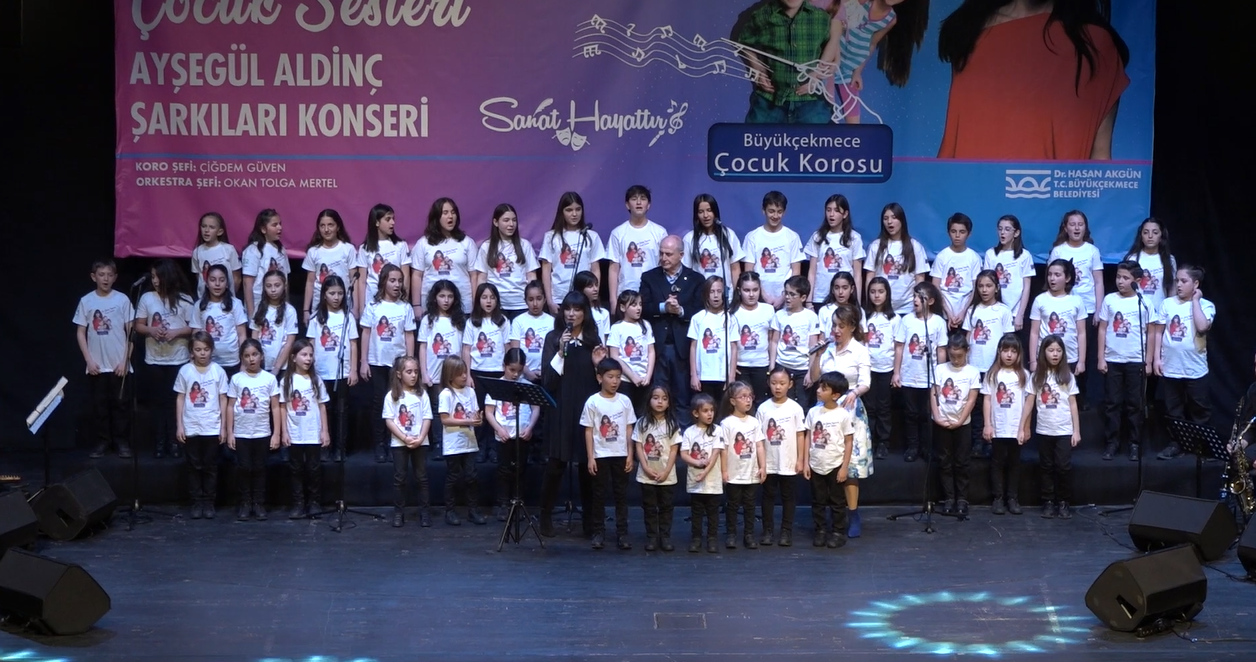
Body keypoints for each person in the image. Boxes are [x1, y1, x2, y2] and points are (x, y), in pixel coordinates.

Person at [937, 0, 1129, 160]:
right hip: (966, 189)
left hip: (1053, 193)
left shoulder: (1095, 44)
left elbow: (1100, 158)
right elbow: (955, 134)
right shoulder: (968, 31)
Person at [539, 291, 609, 537]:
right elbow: (548, 381)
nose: (571, 314)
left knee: (586, 466)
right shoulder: (553, 338)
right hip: (560, 407)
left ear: (584, 313)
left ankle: (590, 520)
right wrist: (560, 351)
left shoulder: (592, 340)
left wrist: (599, 364)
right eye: (567, 309)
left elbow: (603, 381)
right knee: (556, 465)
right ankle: (545, 516)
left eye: (577, 309)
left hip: (585, 409)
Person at [812, 304, 873, 536]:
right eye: (834, 326)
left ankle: (853, 514)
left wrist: (854, 393)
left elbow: (866, 382)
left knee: (850, 468)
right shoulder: (827, 349)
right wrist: (817, 356)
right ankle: (831, 512)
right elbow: (814, 378)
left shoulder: (859, 350)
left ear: (852, 327)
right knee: (827, 463)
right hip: (825, 410)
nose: (836, 330)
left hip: (849, 409)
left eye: (841, 326)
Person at [813, 0, 928, 122]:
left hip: (850, 68)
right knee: (825, 108)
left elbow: (873, 43)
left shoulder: (890, 19)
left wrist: (858, 72)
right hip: (832, 59)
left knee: (854, 117)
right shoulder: (863, 2)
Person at [734, 0, 834, 124]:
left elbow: (832, 49)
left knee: (821, 135)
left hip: (811, 102)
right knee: (755, 135)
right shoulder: (762, 16)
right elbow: (744, 41)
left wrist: (818, 74)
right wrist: (757, 67)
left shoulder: (821, 18)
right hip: (770, 101)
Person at [1152, 266, 1216, 459]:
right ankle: (1176, 444)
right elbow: (1158, 333)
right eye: (1177, 280)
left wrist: (1195, 301)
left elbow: (1202, 326)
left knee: (1200, 410)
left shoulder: (1206, 305)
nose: (1178, 285)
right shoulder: (1167, 304)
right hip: (1171, 367)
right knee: (1173, 410)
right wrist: (1156, 358)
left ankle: (1203, 446)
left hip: (1195, 369)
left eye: (1184, 281)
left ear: (1195, 284)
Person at [74, 258, 135, 459]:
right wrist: (88, 360)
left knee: (121, 405)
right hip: (97, 365)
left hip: (119, 364)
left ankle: (122, 442)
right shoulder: (86, 301)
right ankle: (103, 441)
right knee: (100, 406)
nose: (105, 279)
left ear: (115, 277)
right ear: (94, 277)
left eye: (109, 275)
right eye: (101, 275)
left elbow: (131, 334)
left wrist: (125, 360)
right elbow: (81, 332)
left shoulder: (122, 300)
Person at [136, 259, 195, 460]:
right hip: (154, 359)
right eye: (152, 277)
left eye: (158, 276)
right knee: (157, 403)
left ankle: (175, 441)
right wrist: (151, 330)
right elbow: (138, 325)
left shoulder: (185, 299)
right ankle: (159, 443)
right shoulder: (147, 298)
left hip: (178, 359)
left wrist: (175, 332)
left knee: (173, 402)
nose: (155, 281)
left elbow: (193, 327)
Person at [641, 235, 704, 424]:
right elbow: (643, 308)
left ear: (681, 255)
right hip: (657, 348)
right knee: (658, 395)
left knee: (682, 396)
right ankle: (657, 434)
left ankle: (683, 434)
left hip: (683, 348)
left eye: (668, 254)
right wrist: (664, 308)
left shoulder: (696, 279)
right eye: (661, 253)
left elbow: (700, 310)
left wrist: (680, 311)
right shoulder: (649, 277)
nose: (663, 258)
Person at [1098, 261, 1156, 461]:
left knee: (1135, 404)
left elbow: (1150, 333)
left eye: (1125, 278)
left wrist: (1149, 361)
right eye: (1118, 277)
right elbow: (1103, 329)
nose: (1120, 281)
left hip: (1136, 360)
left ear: (1137, 281)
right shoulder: (1109, 300)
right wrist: (1101, 357)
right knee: (1112, 404)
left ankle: (1134, 443)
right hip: (1113, 359)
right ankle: (1112, 443)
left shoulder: (1144, 302)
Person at [361, 264, 417, 463]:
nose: (397, 284)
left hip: (398, 364)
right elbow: (366, 333)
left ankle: (396, 442)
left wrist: (410, 362)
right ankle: (379, 444)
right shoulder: (373, 306)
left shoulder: (405, 307)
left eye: (400, 281)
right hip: (377, 362)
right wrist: (363, 361)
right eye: (392, 280)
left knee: (398, 403)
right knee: (379, 403)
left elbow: (409, 335)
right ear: (384, 282)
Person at [1048, 210, 1104, 404]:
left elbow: (1098, 282)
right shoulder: (1058, 251)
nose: (1076, 228)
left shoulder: (1092, 251)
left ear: (1085, 227)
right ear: (1065, 228)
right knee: (1062, 349)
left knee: (1083, 353)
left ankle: (1081, 398)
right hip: (1063, 307)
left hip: (1087, 309)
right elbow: (1051, 277)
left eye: (1080, 224)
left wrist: (1098, 310)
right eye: (1072, 224)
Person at [581, 358, 637, 550]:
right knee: (599, 495)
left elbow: (629, 429)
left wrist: (630, 454)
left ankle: (622, 533)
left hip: (620, 454)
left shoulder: (625, 401)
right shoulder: (593, 402)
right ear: (599, 378)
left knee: (621, 495)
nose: (615, 381)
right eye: (610, 377)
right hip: (601, 455)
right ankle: (598, 532)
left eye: (618, 377)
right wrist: (591, 457)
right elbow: (589, 430)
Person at [1024, 335, 1081, 519]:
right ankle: (1048, 501)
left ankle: (1064, 502)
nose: (1055, 354)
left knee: (1063, 467)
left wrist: (1076, 431)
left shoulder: (1068, 376)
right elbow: (1029, 403)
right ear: (1044, 352)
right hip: (1044, 430)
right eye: (1051, 350)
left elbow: (1073, 404)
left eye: (1058, 350)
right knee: (1046, 467)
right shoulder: (1037, 376)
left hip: (1064, 430)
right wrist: (1023, 427)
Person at [175, 331, 229, 519]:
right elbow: (180, 398)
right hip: (191, 426)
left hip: (211, 426)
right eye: (198, 350)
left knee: (210, 466)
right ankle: (197, 502)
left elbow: (223, 399)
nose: (202, 353)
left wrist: (223, 427)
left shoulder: (218, 371)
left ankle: (209, 502)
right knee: (193, 466)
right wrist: (179, 425)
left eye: (206, 349)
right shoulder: (185, 371)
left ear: (211, 350)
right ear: (192, 352)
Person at [306, 275, 359, 462]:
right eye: (332, 293)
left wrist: (353, 369)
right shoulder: (316, 318)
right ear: (324, 294)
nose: (336, 297)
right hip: (321, 371)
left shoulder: (347, 317)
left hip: (342, 372)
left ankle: (340, 448)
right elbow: (311, 345)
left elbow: (353, 344)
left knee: (341, 410)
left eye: (340, 293)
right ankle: (324, 446)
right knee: (324, 409)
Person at [893, 282, 947, 462]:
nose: (915, 300)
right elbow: (899, 347)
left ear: (930, 301)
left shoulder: (938, 322)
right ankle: (912, 447)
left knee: (926, 414)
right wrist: (896, 372)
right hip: (909, 376)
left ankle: (926, 447)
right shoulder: (906, 320)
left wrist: (940, 376)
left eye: (920, 297)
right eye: (914, 296)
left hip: (929, 378)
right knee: (911, 414)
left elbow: (941, 350)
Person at [226, 339, 280, 521]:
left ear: (261, 356)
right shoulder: (236, 379)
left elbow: (275, 407)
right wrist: (230, 432)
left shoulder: (269, 379)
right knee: (244, 468)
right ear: (242, 358)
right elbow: (230, 406)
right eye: (247, 356)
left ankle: (259, 503)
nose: (251, 359)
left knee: (259, 469)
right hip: (241, 433)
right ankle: (245, 503)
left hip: (262, 433)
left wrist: (276, 433)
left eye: (255, 354)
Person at [963, 269, 1013, 457]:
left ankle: (992, 442)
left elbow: (1008, 340)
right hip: (975, 366)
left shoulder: (1003, 310)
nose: (984, 290)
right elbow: (968, 337)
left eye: (989, 286)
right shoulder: (972, 310)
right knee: (976, 407)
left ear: (997, 288)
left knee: (993, 406)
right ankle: (977, 442)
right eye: (981, 286)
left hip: (995, 367)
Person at [931, 332, 982, 516]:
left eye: (959, 356)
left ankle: (962, 499)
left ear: (967, 351)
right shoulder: (940, 369)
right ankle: (949, 498)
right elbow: (934, 394)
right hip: (942, 422)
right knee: (944, 461)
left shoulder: (972, 372)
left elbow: (971, 400)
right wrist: (937, 417)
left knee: (962, 462)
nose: (955, 360)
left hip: (962, 423)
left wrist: (960, 421)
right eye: (952, 356)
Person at [280, 339, 330, 519]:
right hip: (295, 432)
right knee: (296, 469)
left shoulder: (316, 380)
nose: (308, 358)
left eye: (310, 355)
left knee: (313, 469)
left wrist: (325, 431)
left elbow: (322, 406)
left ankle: (314, 503)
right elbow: (283, 407)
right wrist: (284, 432)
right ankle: (298, 503)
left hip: (312, 432)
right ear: (294, 358)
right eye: (304, 355)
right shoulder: (287, 381)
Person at [485, 348, 537, 521]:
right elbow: (489, 412)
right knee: (504, 470)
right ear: (504, 366)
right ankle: (503, 504)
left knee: (520, 470)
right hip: (504, 435)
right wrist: (499, 429)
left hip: (522, 435)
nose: (515, 374)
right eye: (511, 370)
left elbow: (536, 409)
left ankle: (518, 502)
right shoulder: (496, 386)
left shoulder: (527, 386)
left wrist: (530, 427)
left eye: (519, 371)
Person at [416, 279, 466, 459]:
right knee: (438, 410)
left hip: (455, 374)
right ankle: (438, 443)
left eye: (450, 296)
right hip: (434, 373)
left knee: (455, 408)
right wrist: (424, 373)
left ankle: (455, 443)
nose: (446, 300)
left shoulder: (459, 320)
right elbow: (422, 347)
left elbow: (464, 348)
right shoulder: (428, 320)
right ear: (435, 297)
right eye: (442, 296)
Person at [805, 371, 855, 548]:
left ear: (835, 395)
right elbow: (808, 437)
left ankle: (838, 532)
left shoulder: (843, 414)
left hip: (835, 464)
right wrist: (806, 462)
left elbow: (848, 442)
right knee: (818, 501)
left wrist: (844, 467)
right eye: (819, 387)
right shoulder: (813, 412)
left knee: (837, 501)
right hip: (816, 463)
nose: (818, 390)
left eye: (824, 388)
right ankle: (820, 530)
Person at [982, 333, 1031, 515]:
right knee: (997, 462)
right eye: (1005, 351)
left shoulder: (1024, 375)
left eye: (1013, 351)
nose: (1009, 355)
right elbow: (987, 400)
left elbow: (1028, 403)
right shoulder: (993, 374)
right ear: (999, 352)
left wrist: (1025, 427)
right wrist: (987, 424)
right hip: (998, 427)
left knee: (1014, 463)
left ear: (1019, 354)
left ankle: (1012, 498)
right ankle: (998, 498)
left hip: (1016, 428)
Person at [757, 366, 806, 546]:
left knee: (788, 496)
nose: (778, 387)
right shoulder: (763, 408)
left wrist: (800, 459)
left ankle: (786, 531)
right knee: (768, 496)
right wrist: (760, 463)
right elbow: (758, 438)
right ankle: (767, 530)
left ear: (790, 384)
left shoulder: (795, 408)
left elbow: (800, 435)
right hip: (769, 461)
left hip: (788, 460)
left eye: (782, 383)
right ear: (768, 383)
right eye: (774, 383)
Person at [383, 355, 433, 528]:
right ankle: (399, 513)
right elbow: (389, 420)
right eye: (409, 372)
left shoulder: (422, 394)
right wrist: (404, 438)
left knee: (422, 478)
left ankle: (425, 513)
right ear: (399, 374)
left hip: (420, 442)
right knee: (399, 478)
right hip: (400, 443)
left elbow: (427, 418)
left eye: (416, 372)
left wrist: (420, 438)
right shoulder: (392, 396)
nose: (413, 375)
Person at [463, 283, 509, 464]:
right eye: (484, 297)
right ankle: (481, 447)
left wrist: (507, 373)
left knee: (496, 412)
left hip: (498, 372)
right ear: (478, 300)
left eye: (492, 297)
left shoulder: (503, 321)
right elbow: (466, 349)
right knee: (480, 411)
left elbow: (507, 347)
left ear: (497, 300)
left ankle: (495, 447)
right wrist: (467, 374)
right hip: (477, 373)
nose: (488, 301)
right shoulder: (472, 322)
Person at [540, 192, 607, 315]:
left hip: (584, 298)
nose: (574, 214)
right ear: (562, 212)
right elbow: (546, 270)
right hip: (559, 297)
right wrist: (549, 301)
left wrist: (594, 296)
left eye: (578, 209)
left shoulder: (591, 236)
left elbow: (595, 270)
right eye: (569, 210)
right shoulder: (551, 236)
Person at [438, 356, 487, 526]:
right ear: (450, 376)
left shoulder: (470, 392)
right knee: (453, 477)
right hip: (453, 444)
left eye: (465, 372)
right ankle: (450, 511)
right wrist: (468, 421)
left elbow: (475, 415)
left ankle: (473, 510)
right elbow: (445, 419)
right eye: (460, 374)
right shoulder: (446, 394)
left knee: (472, 477)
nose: (465, 376)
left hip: (469, 442)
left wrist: (478, 419)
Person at [719, 381, 767, 549]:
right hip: (734, 472)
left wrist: (763, 467)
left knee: (750, 505)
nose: (748, 400)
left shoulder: (754, 422)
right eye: (743, 397)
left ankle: (749, 534)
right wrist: (724, 470)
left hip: (751, 472)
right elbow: (724, 449)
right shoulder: (727, 423)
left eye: (750, 396)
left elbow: (759, 446)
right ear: (733, 401)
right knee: (732, 505)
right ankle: (731, 534)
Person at [633, 385, 681, 552]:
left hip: (666, 475)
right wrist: (645, 467)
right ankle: (652, 537)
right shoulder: (642, 423)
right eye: (656, 398)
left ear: (669, 403)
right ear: (649, 400)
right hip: (647, 474)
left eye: (664, 399)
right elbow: (638, 446)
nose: (660, 402)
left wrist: (666, 471)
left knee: (666, 506)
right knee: (649, 507)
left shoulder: (672, 424)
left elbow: (674, 450)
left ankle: (665, 537)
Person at [473, 204, 540, 319]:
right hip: (496, 305)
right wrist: (479, 304)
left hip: (521, 304)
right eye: (506, 220)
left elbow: (531, 276)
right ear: (496, 222)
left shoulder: (525, 245)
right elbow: (482, 279)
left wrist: (532, 301)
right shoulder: (486, 246)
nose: (511, 224)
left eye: (514, 220)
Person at [608, 185, 668, 311]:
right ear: (627, 205)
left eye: (643, 198)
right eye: (634, 199)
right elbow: (614, 268)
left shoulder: (660, 232)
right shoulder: (617, 233)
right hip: (626, 294)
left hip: (653, 294)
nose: (639, 202)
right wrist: (613, 300)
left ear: (649, 205)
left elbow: (666, 265)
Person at [412, 197, 477, 314]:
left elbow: (474, 276)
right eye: (445, 213)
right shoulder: (423, 243)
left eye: (453, 212)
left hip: (463, 305)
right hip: (432, 306)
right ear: (436, 217)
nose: (450, 216)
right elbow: (417, 275)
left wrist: (475, 304)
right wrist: (416, 305)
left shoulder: (467, 242)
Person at [864, 202, 930, 315]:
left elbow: (920, 278)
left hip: (908, 309)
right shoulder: (875, 246)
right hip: (881, 308)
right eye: (886, 218)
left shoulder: (915, 246)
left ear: (902, 220)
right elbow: (870, 277)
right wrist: (870, 305)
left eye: (894, 218)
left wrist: (917, 305)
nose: (889, 222)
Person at [742, 191, 804, 309]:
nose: (775, 216)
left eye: (779, 212)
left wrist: (784, 296)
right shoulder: (752, 237)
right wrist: (763, 295)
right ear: (763, 211)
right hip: (758, 299)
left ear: (784, 212)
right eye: (771, 211)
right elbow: (749, 271)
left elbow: (796, 272)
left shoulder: (792, 237)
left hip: (786, 299)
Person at [1028, 259, 1087, 381]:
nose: (1052, 278)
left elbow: (1081, 333)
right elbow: (1034, 333)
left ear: (1067, 278)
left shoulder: (1076, 301)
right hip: (1044, 359)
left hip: (1070, 358)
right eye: (1050, 274)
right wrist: (1033, 360)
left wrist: (1081, 361)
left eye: (1057, 275)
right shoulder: (1040, 300)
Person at [681, 393, 725, 553]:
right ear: (695, 413)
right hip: (695, 479)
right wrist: (697, 463)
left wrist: (704, 472)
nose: (709, 414)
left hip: (712, 480)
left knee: (713, 512)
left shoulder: (717, 430)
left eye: (711, 410)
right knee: (697, 511)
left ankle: (712, 538)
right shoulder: (689, 432)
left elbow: (715, 455)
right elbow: (684, 454)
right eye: (705, 411)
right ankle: (696, 538)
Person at [771, 276, 822, 410]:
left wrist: (810, 372)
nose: (788, 297)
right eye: (786, 293)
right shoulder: (779, 315)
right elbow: (774, 341)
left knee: (801, 406)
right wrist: (772, 366)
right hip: (782, 365)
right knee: (781, 405)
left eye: (792, 294)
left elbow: (812, 346)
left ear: (803, 297)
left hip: (802, 368)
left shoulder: (810, 317)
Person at [355, 203, 410, 321]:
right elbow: (362, 281)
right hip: (372, 301)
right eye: (388, 219)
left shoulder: (400, 245)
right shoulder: (365, 248)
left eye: (393, 219)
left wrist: (404, 301)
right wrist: (361, 308)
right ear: (377, 222)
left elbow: (405, 276)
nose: (392, 223)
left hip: (396, 301)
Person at [863, 276, 898, 459]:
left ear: (887, 294)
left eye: (881, 292)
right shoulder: (864, 316)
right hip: (867, 368)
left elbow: (898, 347)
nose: (876, 295)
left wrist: (896, 372)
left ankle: (883, 443)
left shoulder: (894, 318)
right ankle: (869, 441)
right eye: (873, 292)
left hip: (886, 369)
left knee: (883, 407)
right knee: (869, 407)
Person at [300, 209, 355, 326]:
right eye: (322, 226)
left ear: (338, 227)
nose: (326, 229)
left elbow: (354, 281)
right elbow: (310, 282)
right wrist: (306, 310)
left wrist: (355, 308)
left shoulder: (348, 249)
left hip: (343, 305)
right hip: (319, 306)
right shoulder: (313, 251)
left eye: (330, 225)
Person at [983, 215, 1035, 336]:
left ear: (1016, 233)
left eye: (1007, 229)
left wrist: (1020, 314)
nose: (1002, 232)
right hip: (995, 310)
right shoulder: (990, 254)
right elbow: (986, 283)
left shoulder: (1024, 255)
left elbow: (1026, 287)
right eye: (1000, 229)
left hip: (1015, 312)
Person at [191, 264, 247, 374]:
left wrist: (244, 362)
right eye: (213, 280)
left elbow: (242, 335)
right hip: (207, 361)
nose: (217, 284)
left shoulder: (236, 304)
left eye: (221, 280)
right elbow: (196, 334)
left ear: (227, 283)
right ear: (207, 283)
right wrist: (193, 357)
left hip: (231, 362)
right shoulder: (199, 305)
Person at [931, 213, 983, 329]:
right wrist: (948, 313)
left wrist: (964, 312)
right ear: (948, 233)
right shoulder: (942, 256)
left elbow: (976, 288)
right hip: (943, 312)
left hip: (967, 313)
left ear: (969, 234)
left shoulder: (974, 258)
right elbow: (935, 287)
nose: (957, 236)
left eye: (962, 232)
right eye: (953, 231)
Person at [1123, 217, 1177, 331]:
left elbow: (1172, 288)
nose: (1150, 236)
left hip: (1159, 314)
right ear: (1141, 236)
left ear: (1161, 236)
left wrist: (1170, 311)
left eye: (1155, 232)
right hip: (1135, 314)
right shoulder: (1132, 258)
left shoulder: (1169, 260)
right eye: (1146, 232)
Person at [731, 272, 775, 406]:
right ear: (739, 290)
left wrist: (771, 364)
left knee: (761, 402)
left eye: (755, 290)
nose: (751, 294)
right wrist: (732, 366)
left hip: (762, 364)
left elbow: (771, 339)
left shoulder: (768, 310)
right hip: (741, 366)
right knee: (742, 402)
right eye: (747, 290)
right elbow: (731, 343)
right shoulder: (733, 312)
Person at [608, 289, 656, 413]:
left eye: (640, 304)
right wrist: (632, 376)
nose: (638, 308)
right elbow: (614, 356)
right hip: (625, 380)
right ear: (623, 307)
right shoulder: (617, 328)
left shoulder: (646, 325)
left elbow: (651, 351)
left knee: (643, 414)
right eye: (634, 305)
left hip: (644, 379)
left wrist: (648, 376)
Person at [682, 194, 743, 290]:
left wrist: (736, 293)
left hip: (726, 294)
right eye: (701, 212)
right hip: (700, 293)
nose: (705, 215)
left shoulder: (728, 234)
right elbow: (687, 271)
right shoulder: (689, 238)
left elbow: (735, 268)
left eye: (709, 210)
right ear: (696, 215)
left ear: (715, 212)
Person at [689, 276, 734, 401]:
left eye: (719, 291)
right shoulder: (698, 318)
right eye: (712, 292)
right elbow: (693, 347)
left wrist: (731, 375)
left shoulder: (730, 318)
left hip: (723, 375)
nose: (716, 296)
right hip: (704, 375)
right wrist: (694, 375)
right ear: (706, 294)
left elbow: (734, 348)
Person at [240, 209, 289, 318]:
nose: (280, 228)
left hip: (279, 304)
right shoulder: (253, 250)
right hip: (259, 304)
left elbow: (285, 281)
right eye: (274, 225)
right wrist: (251, 314)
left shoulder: (281, 250)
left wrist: (286, 306)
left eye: (280, 224)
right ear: (263, 229)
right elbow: (247, 284)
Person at [249, 270, 298, 377]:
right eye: (268, 286)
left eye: (277, 285)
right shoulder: (259, 308)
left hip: (282, 367)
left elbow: (289, 343)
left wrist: (276, 368)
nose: (273, 290)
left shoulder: (290, 311)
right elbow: (254, 339)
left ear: (284, 286)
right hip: (261, 364)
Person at [509, 281, 556, 385]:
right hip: (523, 377)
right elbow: (515, 351)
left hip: (547, 375)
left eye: (539, 299)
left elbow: (555, 351)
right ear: (525, 301)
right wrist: (527, 372)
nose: (535, 304)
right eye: (531, 299)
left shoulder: (552, 321)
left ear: (545, 299)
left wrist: (545, 371)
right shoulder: (518, 321)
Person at [190, 211, 241, 298]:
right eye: (204, 226)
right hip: (206, 300)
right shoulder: (197, 252)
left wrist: (230, 295)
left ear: (220, 231)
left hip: (227, 299)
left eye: (211, 227)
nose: (206, 230)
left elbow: (237, 278)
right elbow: (199, 277)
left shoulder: (229, 249)